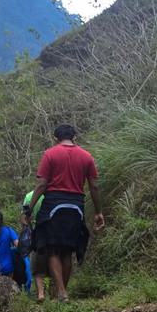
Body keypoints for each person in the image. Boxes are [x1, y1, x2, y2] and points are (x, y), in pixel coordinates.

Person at [29, 124, 105, 302]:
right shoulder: (86, 156)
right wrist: (98, 212)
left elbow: (41, 184)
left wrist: (29, 209)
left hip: (53, 206)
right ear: (74, 137)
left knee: (52, 249)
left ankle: (62, 292)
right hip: (76, 207)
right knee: (67, 251)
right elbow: (93, 186)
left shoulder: (50, 154)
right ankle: (62, 293)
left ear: (55, 138)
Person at [21, 189, 46, 301]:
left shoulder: (29, 196)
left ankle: (41, 294)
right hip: (53, 234)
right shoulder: (53, 193)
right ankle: (55, 295)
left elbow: (24, 219)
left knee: (38, 268)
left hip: (36, 235)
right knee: (54, 263)